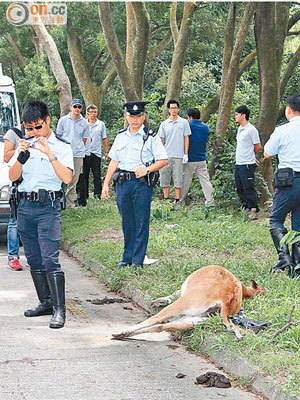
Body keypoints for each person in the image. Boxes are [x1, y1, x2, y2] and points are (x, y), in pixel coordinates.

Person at [8, 99, 73, 328]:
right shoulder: (23, 145)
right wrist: (20, 156)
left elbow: (67, 178)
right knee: (34, 258)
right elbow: (13, 177)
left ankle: (59, 309)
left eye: (38, 127)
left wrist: (50, 154)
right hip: (25, 207)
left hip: (48, 207)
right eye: (29, 128)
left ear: (47, 121)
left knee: (50, 259)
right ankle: (45, 302)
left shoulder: (62, 146)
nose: (34, 132)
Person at [101, 101, 168, 268]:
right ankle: (127, 258)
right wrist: (106, 184)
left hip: (141, 184)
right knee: (127, 222)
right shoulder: (121, 136)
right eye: (131, 116)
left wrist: (147, 169)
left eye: (138, 116)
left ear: (143, 117)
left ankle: (138, 260)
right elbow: (114, 161)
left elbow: (163, 159)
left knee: (141, 221)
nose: (135, 119)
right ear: (126, 117)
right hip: (123, 183)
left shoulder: (151, 137)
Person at [264, 94, 300, 278]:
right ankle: (298, 265)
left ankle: (284, 259)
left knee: (276, 220)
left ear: (289, 109)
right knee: (298, 224)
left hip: (289, 181)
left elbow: (268, 153)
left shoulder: (282, 130)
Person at [56, 99, 89, 208]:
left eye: (79, 107)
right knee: (62, 179)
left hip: (78, 154)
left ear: (81, 109)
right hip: (64, 154)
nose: (77, 109)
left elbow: (84, 139)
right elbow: (59, 136)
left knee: (74, 180)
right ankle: (59, 202)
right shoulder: (63, 120)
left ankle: (69, 204)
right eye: (75, 107)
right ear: (71, 107)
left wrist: (78, 147)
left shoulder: (84, 123)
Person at [158, 99, 191, 203]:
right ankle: (166, 200)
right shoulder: (164, 124)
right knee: (164, 178)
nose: (174, 110)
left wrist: (186, 153)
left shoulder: (184, 122)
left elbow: (186, 138)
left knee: (178, 179)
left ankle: (177, 200)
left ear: (178, 109)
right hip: (166, 156)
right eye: (172, 108)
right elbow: (161, 140)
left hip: (179, 155)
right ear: (168, 109)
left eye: (175, 108)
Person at [180, 107, 214, 206]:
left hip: (189, 158)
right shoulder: (205, 127)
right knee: (205, 181)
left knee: (185, 181)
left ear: (190, 117)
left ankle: (180, 201)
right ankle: (210, 201)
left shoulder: (187, 126)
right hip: (202, 159)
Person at [3, 123, 26, 271]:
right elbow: (6, 156)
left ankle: (33, 257)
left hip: (36, 183)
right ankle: (13, 257)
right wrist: (21, 149)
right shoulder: (14, 133)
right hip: (18, 182)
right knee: (14, 221)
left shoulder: (42, 133)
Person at [234, 105, 262, 219]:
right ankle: (245, 207)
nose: (235, 117)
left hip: (247, 163)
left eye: (237, 114)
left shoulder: (251, 129)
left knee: (248, 186)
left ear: (243, 115)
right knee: (239, 186)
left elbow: (258, 146)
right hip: (239, 162)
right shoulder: (240, 129)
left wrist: (252, 156)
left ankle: (254, 209)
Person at [80, 104, 109, 203]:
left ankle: (98, 194)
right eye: (91, 112)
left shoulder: (101, 124)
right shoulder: (83, 123)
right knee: (85, 175)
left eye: (95, 112)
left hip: (96, 153)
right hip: (85, 152)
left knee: (97, 175)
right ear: (87, 113)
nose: (93, 114)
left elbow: (104, 138)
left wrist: (107, 152)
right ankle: (85, 195)